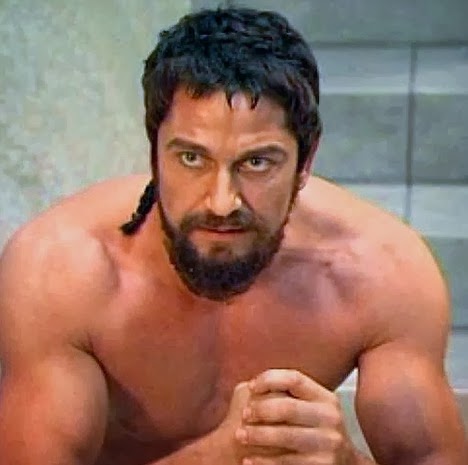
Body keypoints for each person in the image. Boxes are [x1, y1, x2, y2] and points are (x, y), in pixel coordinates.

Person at [0, 6, 466, 465]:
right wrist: (219, 455)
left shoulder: (383, 274)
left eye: (257, 162)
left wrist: (347, 462)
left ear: (305, 162)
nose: (222, 202)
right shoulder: (62, 271)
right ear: (153, 151)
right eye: (192, 158)